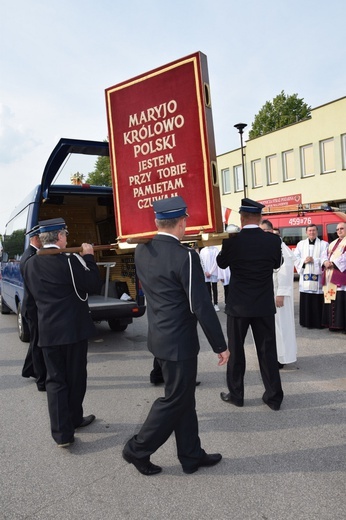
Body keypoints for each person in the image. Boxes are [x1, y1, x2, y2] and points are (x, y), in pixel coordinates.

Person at [123, 196, 229, 475]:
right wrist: (221, 345)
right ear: (183, 223)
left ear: (157, 222)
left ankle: (191, 455)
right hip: (179, 342)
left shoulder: (142, 251)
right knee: (175, 400)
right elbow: (201, 306)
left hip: (159, 337)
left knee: (183, 398)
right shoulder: (186, 257)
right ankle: (137, 449)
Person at [23, 218, 102, 447]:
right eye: (65, 234)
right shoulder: (70, 261)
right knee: (76, 378)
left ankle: (62, 434)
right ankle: (74, 419)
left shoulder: (29, 264)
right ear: (59, 237)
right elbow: (92, 285)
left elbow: (31, 302)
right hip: (72, 331)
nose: (67, 238)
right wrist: (88, 257)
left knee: (55, 381)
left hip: (48, 331)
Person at [217, 198, 284, 411]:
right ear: (260, 217)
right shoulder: (273, 241)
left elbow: (221, 263)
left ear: (242, 218)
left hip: (238, 306)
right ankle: (273, 397)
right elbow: (276, 264)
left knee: (236, 351)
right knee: (267, 351)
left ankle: (237, 395)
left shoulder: (231, 240)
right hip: (263, 305)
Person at [260, 219, 297, 368]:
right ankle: (274, 356)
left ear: (270, 231)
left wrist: (280, 294)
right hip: (269, 294)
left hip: (278, 296)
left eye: (263, 231)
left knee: (280, 327)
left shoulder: (280, 248)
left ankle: (281, 358)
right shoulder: (268, 246)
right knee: (272, 328)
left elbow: (285, 271)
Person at [21, 225, 47, 391]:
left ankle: (29, 369)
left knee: (35, 342)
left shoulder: (29, 254)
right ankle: (41, 380)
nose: (44, 241)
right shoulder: (31, 257)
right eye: (41, 238)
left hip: (32, 307)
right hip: (33, 308)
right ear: (35, 239)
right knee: (38, 344)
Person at [294, 224, 329, 329]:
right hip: (305, 278)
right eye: (309, 231)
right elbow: (295, 257)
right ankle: (306, 322)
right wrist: (304, 261)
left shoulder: (324, 244)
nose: (311, 232)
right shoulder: (301, 244)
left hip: (317, 278)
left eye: (313, 230)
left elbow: (325, 258)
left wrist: (314, 260)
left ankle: (319, 323)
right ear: (306, 232)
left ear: (317, 232)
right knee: (307, 299)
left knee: (317, 300)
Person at [321, 222, 346, 332]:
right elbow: (324, 255)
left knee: (341, 300)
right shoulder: (332, 243)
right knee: (331, 298)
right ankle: (333, 325)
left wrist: (333, 263)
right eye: (337, 229)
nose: (339, 231)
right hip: (330, 275)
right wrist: (325, 261)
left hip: (341, 274)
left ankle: (342, 325)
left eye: (342, 228)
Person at [199, 245, 220, 311]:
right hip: (206, 272)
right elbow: (201, 261)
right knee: (207, 288)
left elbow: (216, 261)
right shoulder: (203, 250)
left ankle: (216, 303)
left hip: (213, 272)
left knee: (214, 288)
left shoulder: (215, 249)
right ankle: (209, 303)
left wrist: (210, 272)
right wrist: (205, 271)